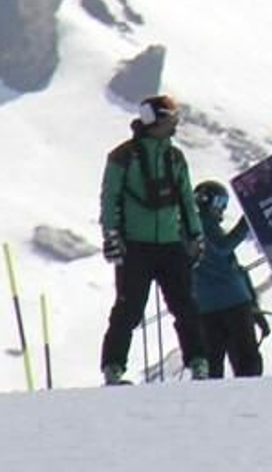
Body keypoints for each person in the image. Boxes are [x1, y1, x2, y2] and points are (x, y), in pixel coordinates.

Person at [98, 95, 209, 384]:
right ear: (155, 120)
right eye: (170, 117)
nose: (175, 123)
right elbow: (110, 198)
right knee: (129, 308)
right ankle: (113, 367)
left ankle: (199, 362)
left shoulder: (174, 157)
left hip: (169, 244)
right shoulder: (123, 157)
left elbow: (186, 199)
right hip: (135, 245)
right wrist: (112, 233)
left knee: (185, 305)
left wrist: (195, 234)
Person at [190, 180, 266, 378]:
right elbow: (225, 249)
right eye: (222, 203)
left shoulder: (186, 227)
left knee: (212, 366)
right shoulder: (205, 224)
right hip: (234, 303)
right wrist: (246, 222)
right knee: (247, 363)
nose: (223, 209)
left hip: (205, 308)